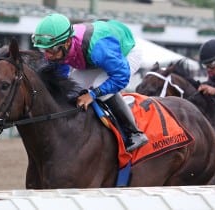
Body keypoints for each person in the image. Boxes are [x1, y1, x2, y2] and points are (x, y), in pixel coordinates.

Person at [32, 13, 148, 152]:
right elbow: (61, 76)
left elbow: (120, 77)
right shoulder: (61, 45)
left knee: (100, 87)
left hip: (125, 53)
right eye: (44, 50)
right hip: (95, 59)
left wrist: (92, 94)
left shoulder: (99, 48)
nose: (48, 55)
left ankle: (134, 132)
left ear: (68, 42)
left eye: (52, 50)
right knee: (73, 89)